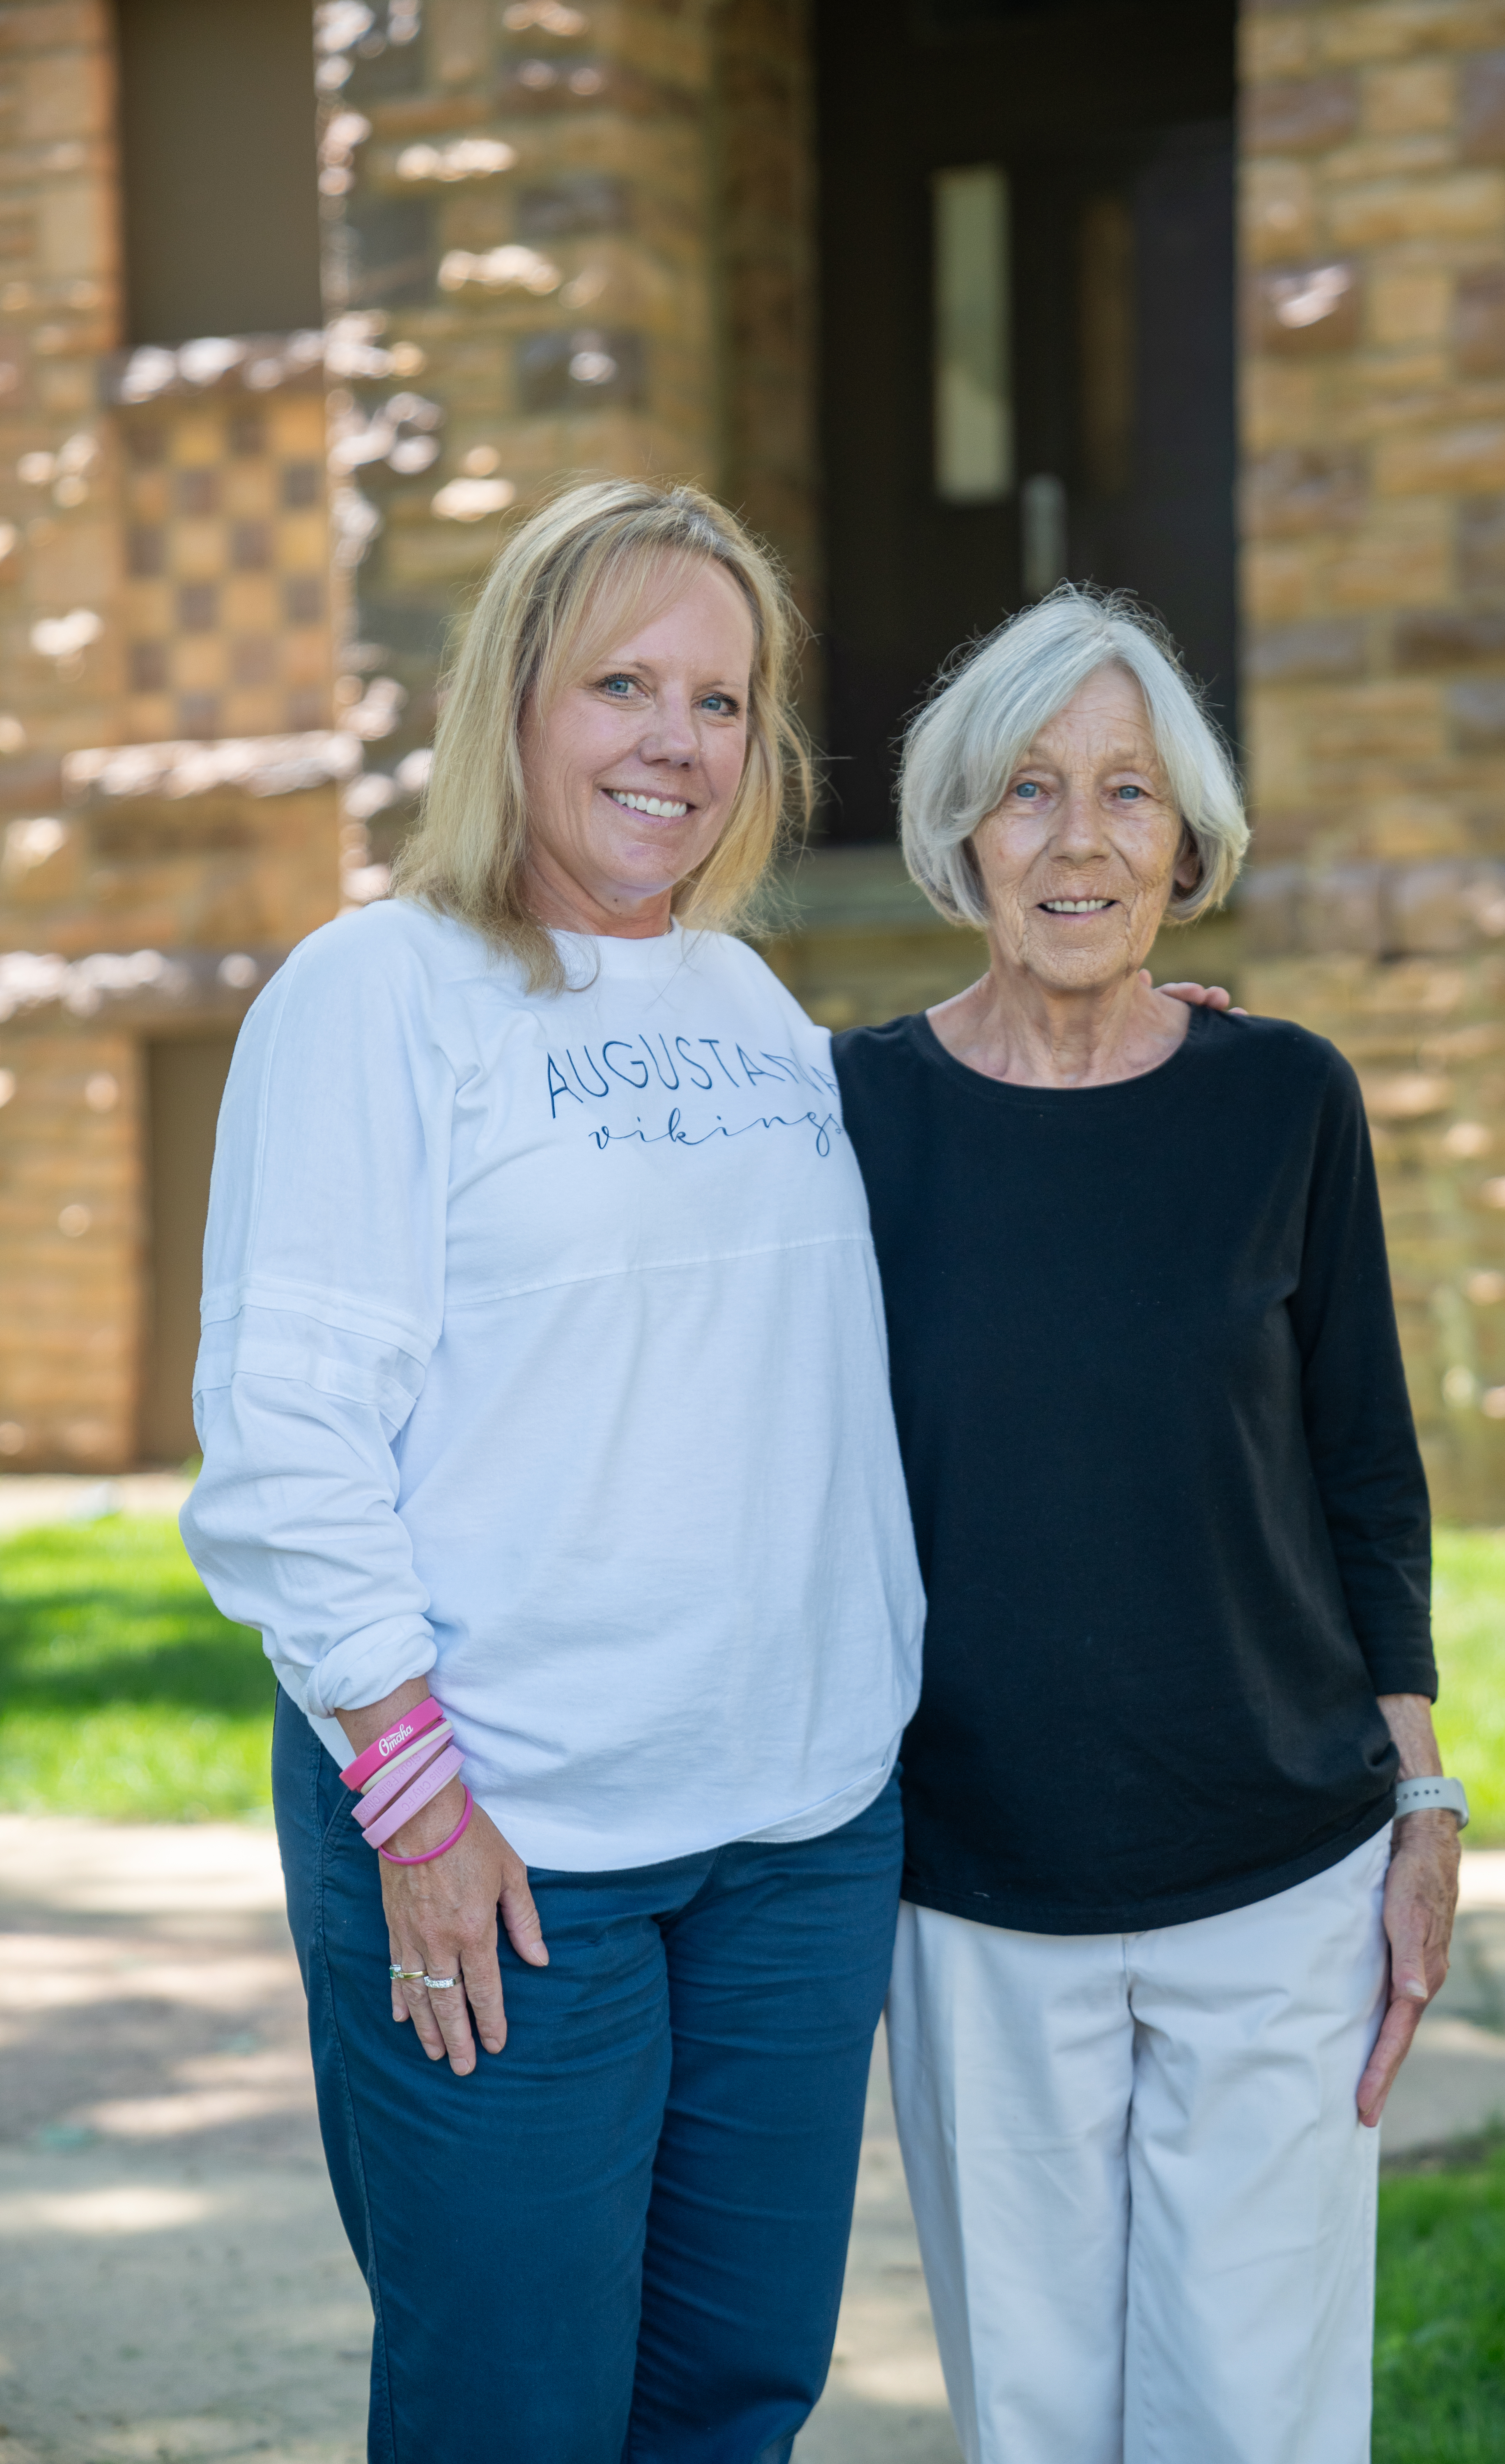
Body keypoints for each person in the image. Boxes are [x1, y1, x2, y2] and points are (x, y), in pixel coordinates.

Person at [179, 476, 927, 2464]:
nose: (677, 743)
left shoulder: (752, 1003)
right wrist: (414, 1800)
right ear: (512, 700)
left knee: (731, 2405)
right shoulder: (379, 992)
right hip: (503, 1846)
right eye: (623, 684)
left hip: (794, 1836)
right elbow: (284, 1442)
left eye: (721, 700)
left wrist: (1112, 1041)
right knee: (513, 2412)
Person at [832, 588, 1466, 2464]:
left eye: (1127, 792)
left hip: (1279, 1868)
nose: (1081, 838)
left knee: (1254, 2419)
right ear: (960, 832)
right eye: (1029, 790)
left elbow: (1367, 1474)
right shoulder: (849, 1118)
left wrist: (1419, 1798)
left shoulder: (1285, 1100)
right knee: (1035, 2421)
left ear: (1187, 842)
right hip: (974, 1884)